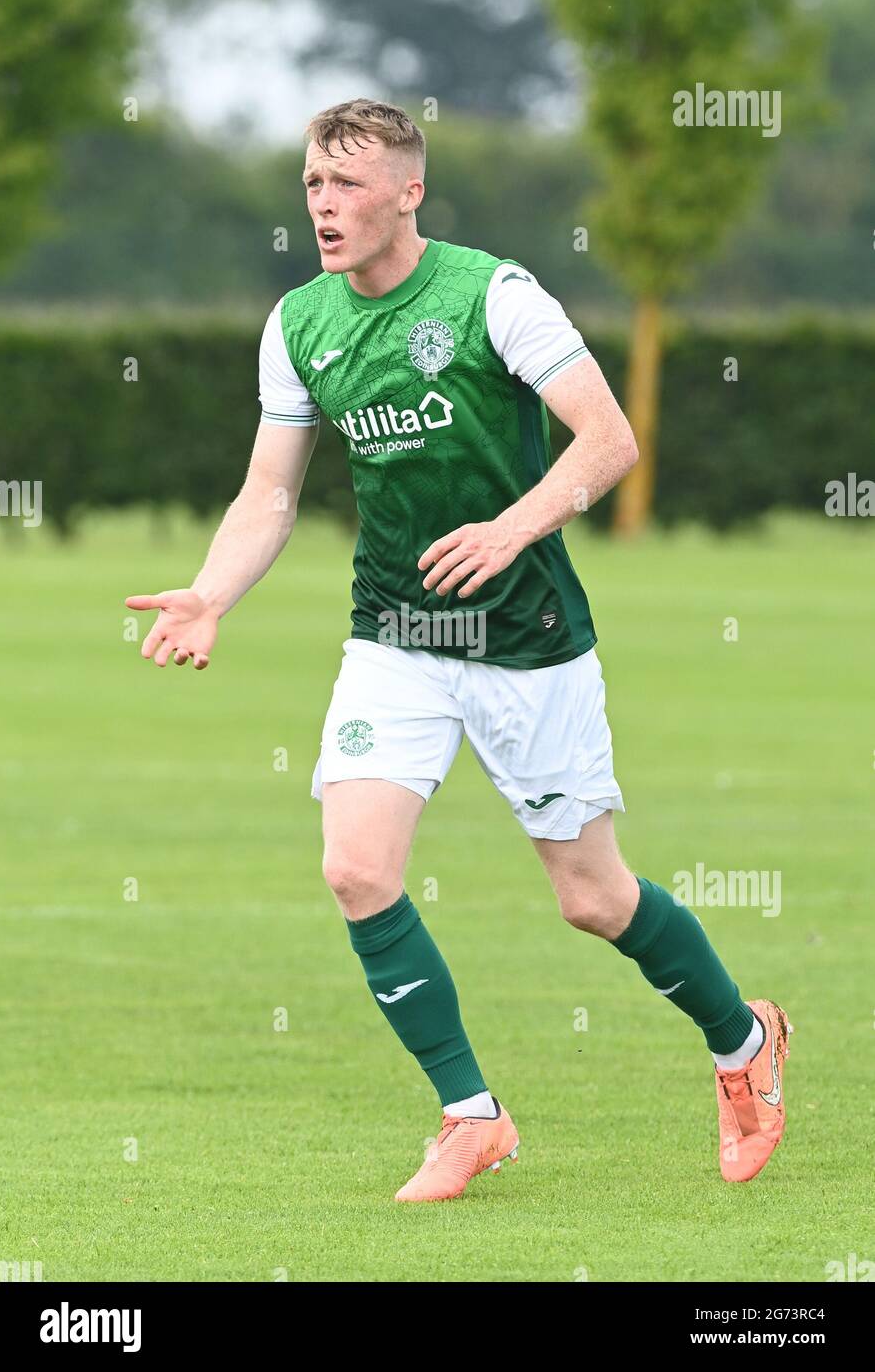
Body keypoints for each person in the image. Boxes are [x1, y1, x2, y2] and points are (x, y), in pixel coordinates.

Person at [126, 99, 792, 1203]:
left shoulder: (495, 295)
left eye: (345, 186)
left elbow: (611, 437)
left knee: (592, 895)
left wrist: (512, 527)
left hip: (530, 645)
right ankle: (471, 1115)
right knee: (354, 867)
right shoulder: (299, 324)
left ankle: (742, 1042)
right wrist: (210, 592)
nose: (323, 206)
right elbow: (268, 495)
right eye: (310, 185)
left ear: (407, 191)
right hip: (395, 635)